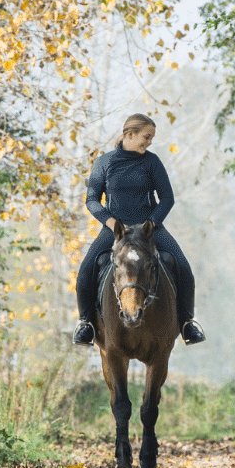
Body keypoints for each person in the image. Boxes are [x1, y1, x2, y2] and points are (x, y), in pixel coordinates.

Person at [73, 113, 206, 346]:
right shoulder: (104, 162)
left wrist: (153, 222)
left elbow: (166, 197)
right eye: (146, 136)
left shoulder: (152, 162)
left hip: (149, 229)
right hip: (117, 230)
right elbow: (92, 200)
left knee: (184, 267)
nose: (149, 142)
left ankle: (187, 324)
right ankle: (86, 324)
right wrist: (110, 222)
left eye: (152, 138)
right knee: (86, 269)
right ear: (130, 134)